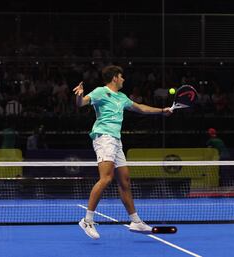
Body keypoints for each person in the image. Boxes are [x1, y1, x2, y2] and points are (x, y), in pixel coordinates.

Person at [73, 65, 172, 240]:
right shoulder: (100, 92)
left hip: (116, 140)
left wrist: (161, 111)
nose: (124, 79)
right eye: (121, 76)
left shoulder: (122, 97)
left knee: (124, 180)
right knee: (106, 178)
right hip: (104, 137)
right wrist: (79, 95)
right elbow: (82, 103)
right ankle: (87, 220)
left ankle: (135, 221)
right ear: (114, 78)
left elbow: (140, 108)